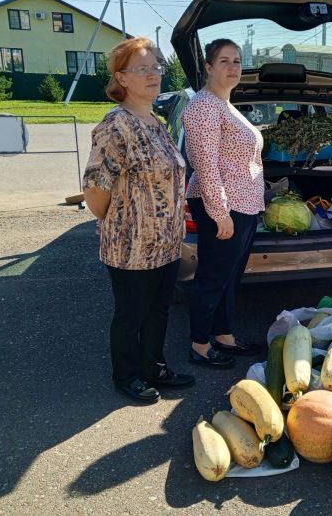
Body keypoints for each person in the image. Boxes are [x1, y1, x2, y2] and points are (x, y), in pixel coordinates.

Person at [83, 36, 195, 403]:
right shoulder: (117, 125)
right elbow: (95, 192)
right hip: (130, 247)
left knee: (158, 310)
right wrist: (123, 224)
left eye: (155, 67)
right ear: (122, 78)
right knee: (131, 314)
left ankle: (154, 367)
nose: (152, 75)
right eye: (141, 69)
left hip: (166, 243)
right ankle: (126, 375)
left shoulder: (156, 121)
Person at [181, 38, 264, 368]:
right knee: (212, 277)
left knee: (229, 276)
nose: (233, 67)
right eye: (225, 61)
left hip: (243, 205)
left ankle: (224, 335)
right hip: (223, 207)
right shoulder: (202, 107)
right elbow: (205, 165)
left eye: (237, 61)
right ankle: (200, 345)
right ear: (208, 67)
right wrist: (220, 214)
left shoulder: (224, 105)